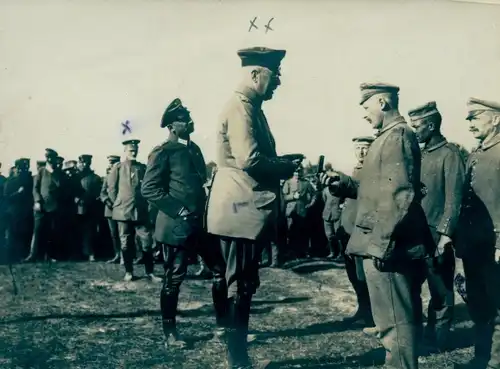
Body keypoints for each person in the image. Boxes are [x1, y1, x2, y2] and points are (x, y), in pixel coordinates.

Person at [320, 83, 432, 369]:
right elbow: (375, 190)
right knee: (388, 322)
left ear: (382, 102)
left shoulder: (397, 136)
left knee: (395, 322)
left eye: (366, 107)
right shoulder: (387, 137)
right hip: (381, 245)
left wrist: (381, 245)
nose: (365, 115)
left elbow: (400, 195)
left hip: (387, 247)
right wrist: (344, 184)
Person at [206, 46, 301, 369]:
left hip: (240, 209)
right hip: (241, 209)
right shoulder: (242, 107)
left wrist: (281, 162)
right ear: (256, 74)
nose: (278, 83)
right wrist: (283, 167)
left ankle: (238, 358)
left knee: (241, 283)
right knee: (241, 285)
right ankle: (238, 361)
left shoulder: (249, 106)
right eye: (275, 77)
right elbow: (250, 159)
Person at [142, 98, 218, 348]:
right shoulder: (163, 152)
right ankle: (170, 333)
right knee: (174, 279)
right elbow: (149, 188)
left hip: (201, 225)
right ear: (172, 127)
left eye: (189, 117)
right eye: (184, 120)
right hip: (177, 226)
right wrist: (180, 209)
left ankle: (224, 328)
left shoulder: (194, 149)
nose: (190, 122)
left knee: (220, 271)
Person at [408, 101, 465, 352]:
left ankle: (436, 341)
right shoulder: (419, 155)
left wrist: (445, 236)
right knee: (411, 288)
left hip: (436, 236)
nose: (414, 131)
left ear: (431, 126)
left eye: (417, 126)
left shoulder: (450, 155)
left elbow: (455, 199)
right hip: (415, 235)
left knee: (440, 292)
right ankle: (415, 337)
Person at [454, 98, 500, 369]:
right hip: (474, 244)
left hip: (495, 244)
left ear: (495, 119)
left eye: (475, 117)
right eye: (468, 118)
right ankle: (481, 358)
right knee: (479, 305)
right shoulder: (476, 153)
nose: (469, 123)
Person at [107, 139, 161, 282]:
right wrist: (118, 204)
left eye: (135, 150)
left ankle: (150, 272)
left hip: (140, 212)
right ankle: (129, 272)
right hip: (123, 212)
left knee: (147, 241)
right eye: (131, 150)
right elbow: (111, 189)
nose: (133, 152)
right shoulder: (117, 168)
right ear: (125, 151)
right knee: (126, 243)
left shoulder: (142, 168)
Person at [336, 136, 375, 328]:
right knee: (354, 275)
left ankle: (371, 315)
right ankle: (363, 309)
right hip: (349, 233)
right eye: (358, 148)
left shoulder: (374, 170)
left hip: (362, 233)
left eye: (365, 148)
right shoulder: (356, 170)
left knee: (364, 276)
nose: (361, 152)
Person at [28, 149, 71, 261]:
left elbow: (62, 187)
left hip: (55, 207)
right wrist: (37, 201)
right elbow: (35, 188)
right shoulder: (41, 171)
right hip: (41, 207)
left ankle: (51, 255)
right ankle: (33, 255)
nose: (50, 160)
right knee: (37, 231)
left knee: (53, 232)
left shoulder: (60, 173)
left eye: (52, 158)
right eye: (48, 157)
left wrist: (54, 173)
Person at [282, 165, 317, 258]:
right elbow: (284, 197)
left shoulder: (306, 183)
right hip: (290, 211)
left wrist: (311, 204)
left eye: (299, 172)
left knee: (302, 232)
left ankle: (302, 252)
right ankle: (291, 252)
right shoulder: (288, 182)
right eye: (295, 172)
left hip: (302, 211)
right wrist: (293, 196)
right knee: (290, 232)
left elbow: (314, 194)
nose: (297, 174)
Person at [4, 158, 34, 261]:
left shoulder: (30, 180)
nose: (22, 170)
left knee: (26, 234)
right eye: (20, 168)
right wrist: (17, 193)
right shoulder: (10, 181)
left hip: (26, 211)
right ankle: (13, 256)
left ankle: (24, 255)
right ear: (16, 168)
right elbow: (6, 197)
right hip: (14, 212)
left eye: (25, 168)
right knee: (14, 234)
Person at [75, 154, 102, 261]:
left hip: (90, 208)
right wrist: (75, 197)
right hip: (76, 207)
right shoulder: (75, 177)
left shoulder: (95, 178)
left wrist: (87, 199)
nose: (83, 164)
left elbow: (97, 193)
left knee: (89, 232)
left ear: (89, 163)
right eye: (81, 162)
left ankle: (90, 253)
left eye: (85, 162)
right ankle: (77, 253)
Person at [100, 155, 122, 264]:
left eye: (114, 162)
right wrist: (106, 201)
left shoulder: (124, 175)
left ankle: (125, 256)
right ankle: (117, 254)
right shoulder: (107, 176)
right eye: (110, 163)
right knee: (114, 234)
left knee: (123, 233)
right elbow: (102, 192)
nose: (111, 165)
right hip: (110, 210)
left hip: (122, 208)